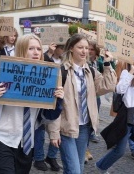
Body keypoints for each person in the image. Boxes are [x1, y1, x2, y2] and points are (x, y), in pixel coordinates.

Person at [0, 34, 64, 174]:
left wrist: (58, 100)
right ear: (21, 49)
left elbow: (48, 117)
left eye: (38, 48)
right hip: (1, 140)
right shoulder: (1, 73)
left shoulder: (48, 78)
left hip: (26, 145)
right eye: (31, 48)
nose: (36, 52)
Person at [48, 33, 117, 174]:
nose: (84, 51)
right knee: (74, 170)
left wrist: (107, 64)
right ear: (71, 48)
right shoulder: (61, 71)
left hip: (84, 127)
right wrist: (54, 132)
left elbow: (108, 86)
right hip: (66, 127)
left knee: (78, 168)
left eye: (86, 48)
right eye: (80, 47)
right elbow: (54, 103)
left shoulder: (90, 71)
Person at [96, 47, 134, 174]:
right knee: (120, 150)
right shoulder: (126, 73)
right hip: (127, 115)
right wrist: (132, 70)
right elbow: (120, 89)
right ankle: (101, 166)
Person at [33, 43, 64, 171]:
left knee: (56, 130)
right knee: (39, 131)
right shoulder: (46, 58)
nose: (62, 50)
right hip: (38, 99)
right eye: (60, 47)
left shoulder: (66, 62)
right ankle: (38, 158)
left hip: (54, 98)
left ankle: (51, 156)